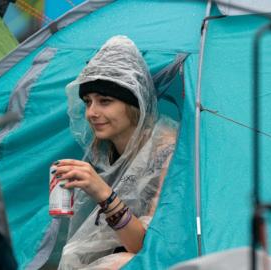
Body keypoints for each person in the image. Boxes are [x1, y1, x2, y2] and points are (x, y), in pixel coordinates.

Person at [54, 35, 178, 269]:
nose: (91, 112)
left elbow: (145, 249)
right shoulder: (102, 150)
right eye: (88, 101)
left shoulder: (167, 151)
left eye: (105, 101)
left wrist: (103, 193)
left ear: (133, 103)